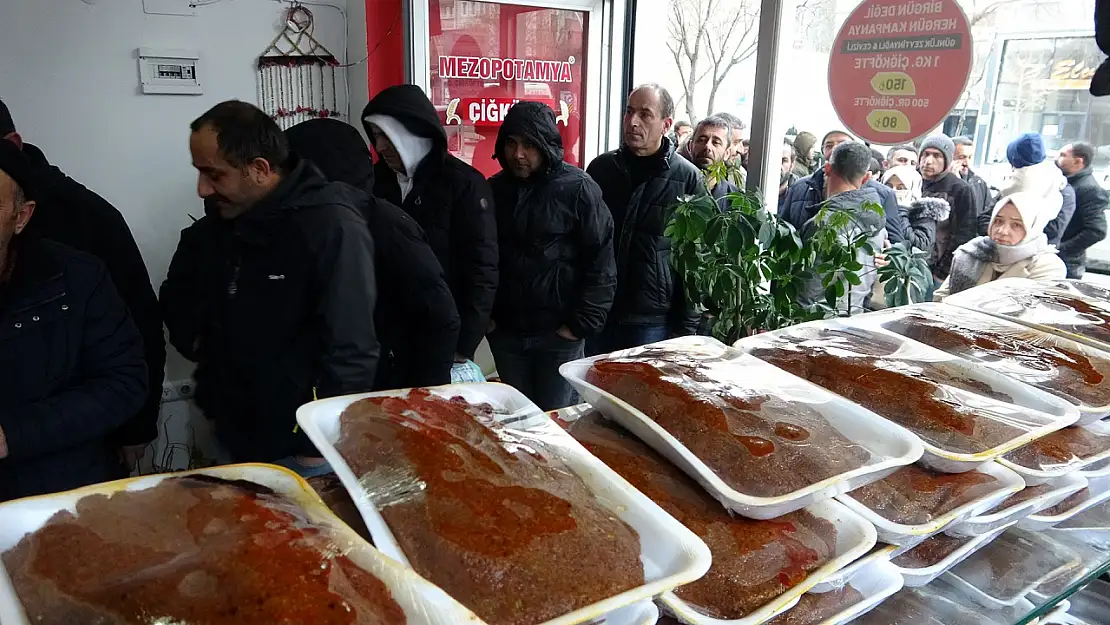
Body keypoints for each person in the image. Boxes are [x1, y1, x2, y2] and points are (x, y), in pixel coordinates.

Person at [160, 101, 379, 477]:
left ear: (260, 169)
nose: (202, 188)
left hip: (299, 450)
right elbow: (185, 294)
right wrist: (201, 350)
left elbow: (351, 350)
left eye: (213, 174)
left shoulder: (329, 226)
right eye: (199, 172)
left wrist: (315, 443)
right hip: (236, 431)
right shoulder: (226, 220)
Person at [0, 99, 163, 474]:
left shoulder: (80, 255)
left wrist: (135, 431)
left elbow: (132, 353)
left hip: (59, 483)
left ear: (21, 216)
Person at [284, 118, 460, 390]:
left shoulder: (383, 223)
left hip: (387, 384)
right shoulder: (307, 224)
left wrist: (426, 397)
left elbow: (440, 316)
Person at [361, 85, 498, 382]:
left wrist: (464, 345)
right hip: (387, 339)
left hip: (443, 339)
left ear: (411, 132)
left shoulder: (465, 185)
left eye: (386, 135)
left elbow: (482, 270)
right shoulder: (373, 183)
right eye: (374, 137)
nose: (380, 146)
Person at [486, 102, 616, 410]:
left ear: (546, 144)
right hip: (506, 335)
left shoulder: (579, 189)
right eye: (511, 143)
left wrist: (577, 327)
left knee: (557, 424)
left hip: (558, 337)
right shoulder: (493, 190)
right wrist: (487, 320)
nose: (518, 154)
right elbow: (480, 259)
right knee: (517, 420)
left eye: (529, 144)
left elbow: (601, 263)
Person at [586, 84, 704, 352]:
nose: (633, 122)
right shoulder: (602, 169)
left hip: (650, 321)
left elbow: (695, 262)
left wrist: (685, 330)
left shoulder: (687, 179)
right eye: (629, 112)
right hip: (598, 311)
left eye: (645, 114)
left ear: (666, 124)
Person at [798, 142, 887, 315]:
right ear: (867, 177)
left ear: (827, 169)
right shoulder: (877, 220)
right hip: (856, 320)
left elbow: (808, 291)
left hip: (819, 324)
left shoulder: (824, 224)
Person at [781, 130, 908, 245]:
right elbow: (783, 233)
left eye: (842, 144)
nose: (835, 148)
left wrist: (887, 257)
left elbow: (898, 246)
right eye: (829, 145)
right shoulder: (800, 187)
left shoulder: (883, 194)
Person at [934, 191, 1067, 299]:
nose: (1002, 231)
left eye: (1016, 225)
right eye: (998, 221)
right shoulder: (972, 252)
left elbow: (1029, 318)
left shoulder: (1047, 266)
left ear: (1033, 227)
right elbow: (941, 298)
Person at [918, 134, 977, 290]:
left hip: (937, 270)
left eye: (936, 155)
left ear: (947, 160)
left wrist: (942, 272)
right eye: (925, 154)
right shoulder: (911, 182)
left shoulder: (959, 189)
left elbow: (964, 233)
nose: (928, 161)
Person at [1056, 142, 1110, 278]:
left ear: (1077, 162)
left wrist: (1061, 248)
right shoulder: (1065, 181)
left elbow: (1097, 231)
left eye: (1062, 155)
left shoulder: (1090, 189)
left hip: (1067, 265)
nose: (1057, 158)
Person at [881, 165, 950, 265]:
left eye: (901, 188)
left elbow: (920, 248)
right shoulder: (876, 206)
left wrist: (900, 210)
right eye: (889, 186)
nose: (894, 191)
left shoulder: (923, 213)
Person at [686, 116, 740, 208]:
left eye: (716, 142)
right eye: (702, 140)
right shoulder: (674, 186)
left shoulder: (735, 199)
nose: (707, 146)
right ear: (690, 147)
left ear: (727, 153)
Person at [950, 136, 997, 235]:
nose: (966, 163)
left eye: (970, 157)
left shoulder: (979, 183)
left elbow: (986, 217)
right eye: (961, 157)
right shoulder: (943, 183)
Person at [779, 140, 799, 210]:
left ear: (792, 165)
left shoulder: (799, 195)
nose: (778, 166)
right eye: (774, 159)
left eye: (784, 160)